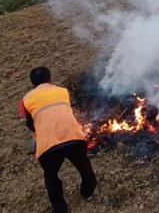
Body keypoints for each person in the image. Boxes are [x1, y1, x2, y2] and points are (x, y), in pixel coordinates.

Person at [19, 66, 97, 213]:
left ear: (32, 84)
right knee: (84, 166)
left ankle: (60, 208)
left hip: (48, 146)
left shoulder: (26, 100)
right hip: (73, 137)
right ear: (50, 79)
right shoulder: (62, 91)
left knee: (51, 177)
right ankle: (88, 192)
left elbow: (30, 124)